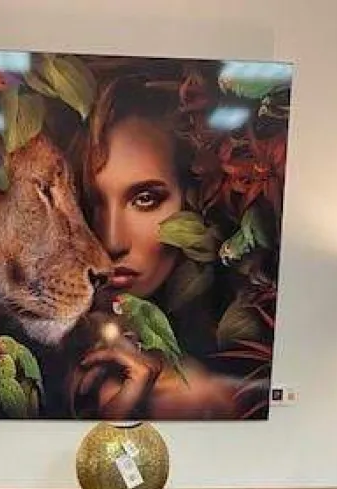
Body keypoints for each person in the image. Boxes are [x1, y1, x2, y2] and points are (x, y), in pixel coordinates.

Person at [69, 75, 271, 420]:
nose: (112, 242)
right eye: (92, 202)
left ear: (193, 202)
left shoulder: (216, 398)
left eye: (145, 198)